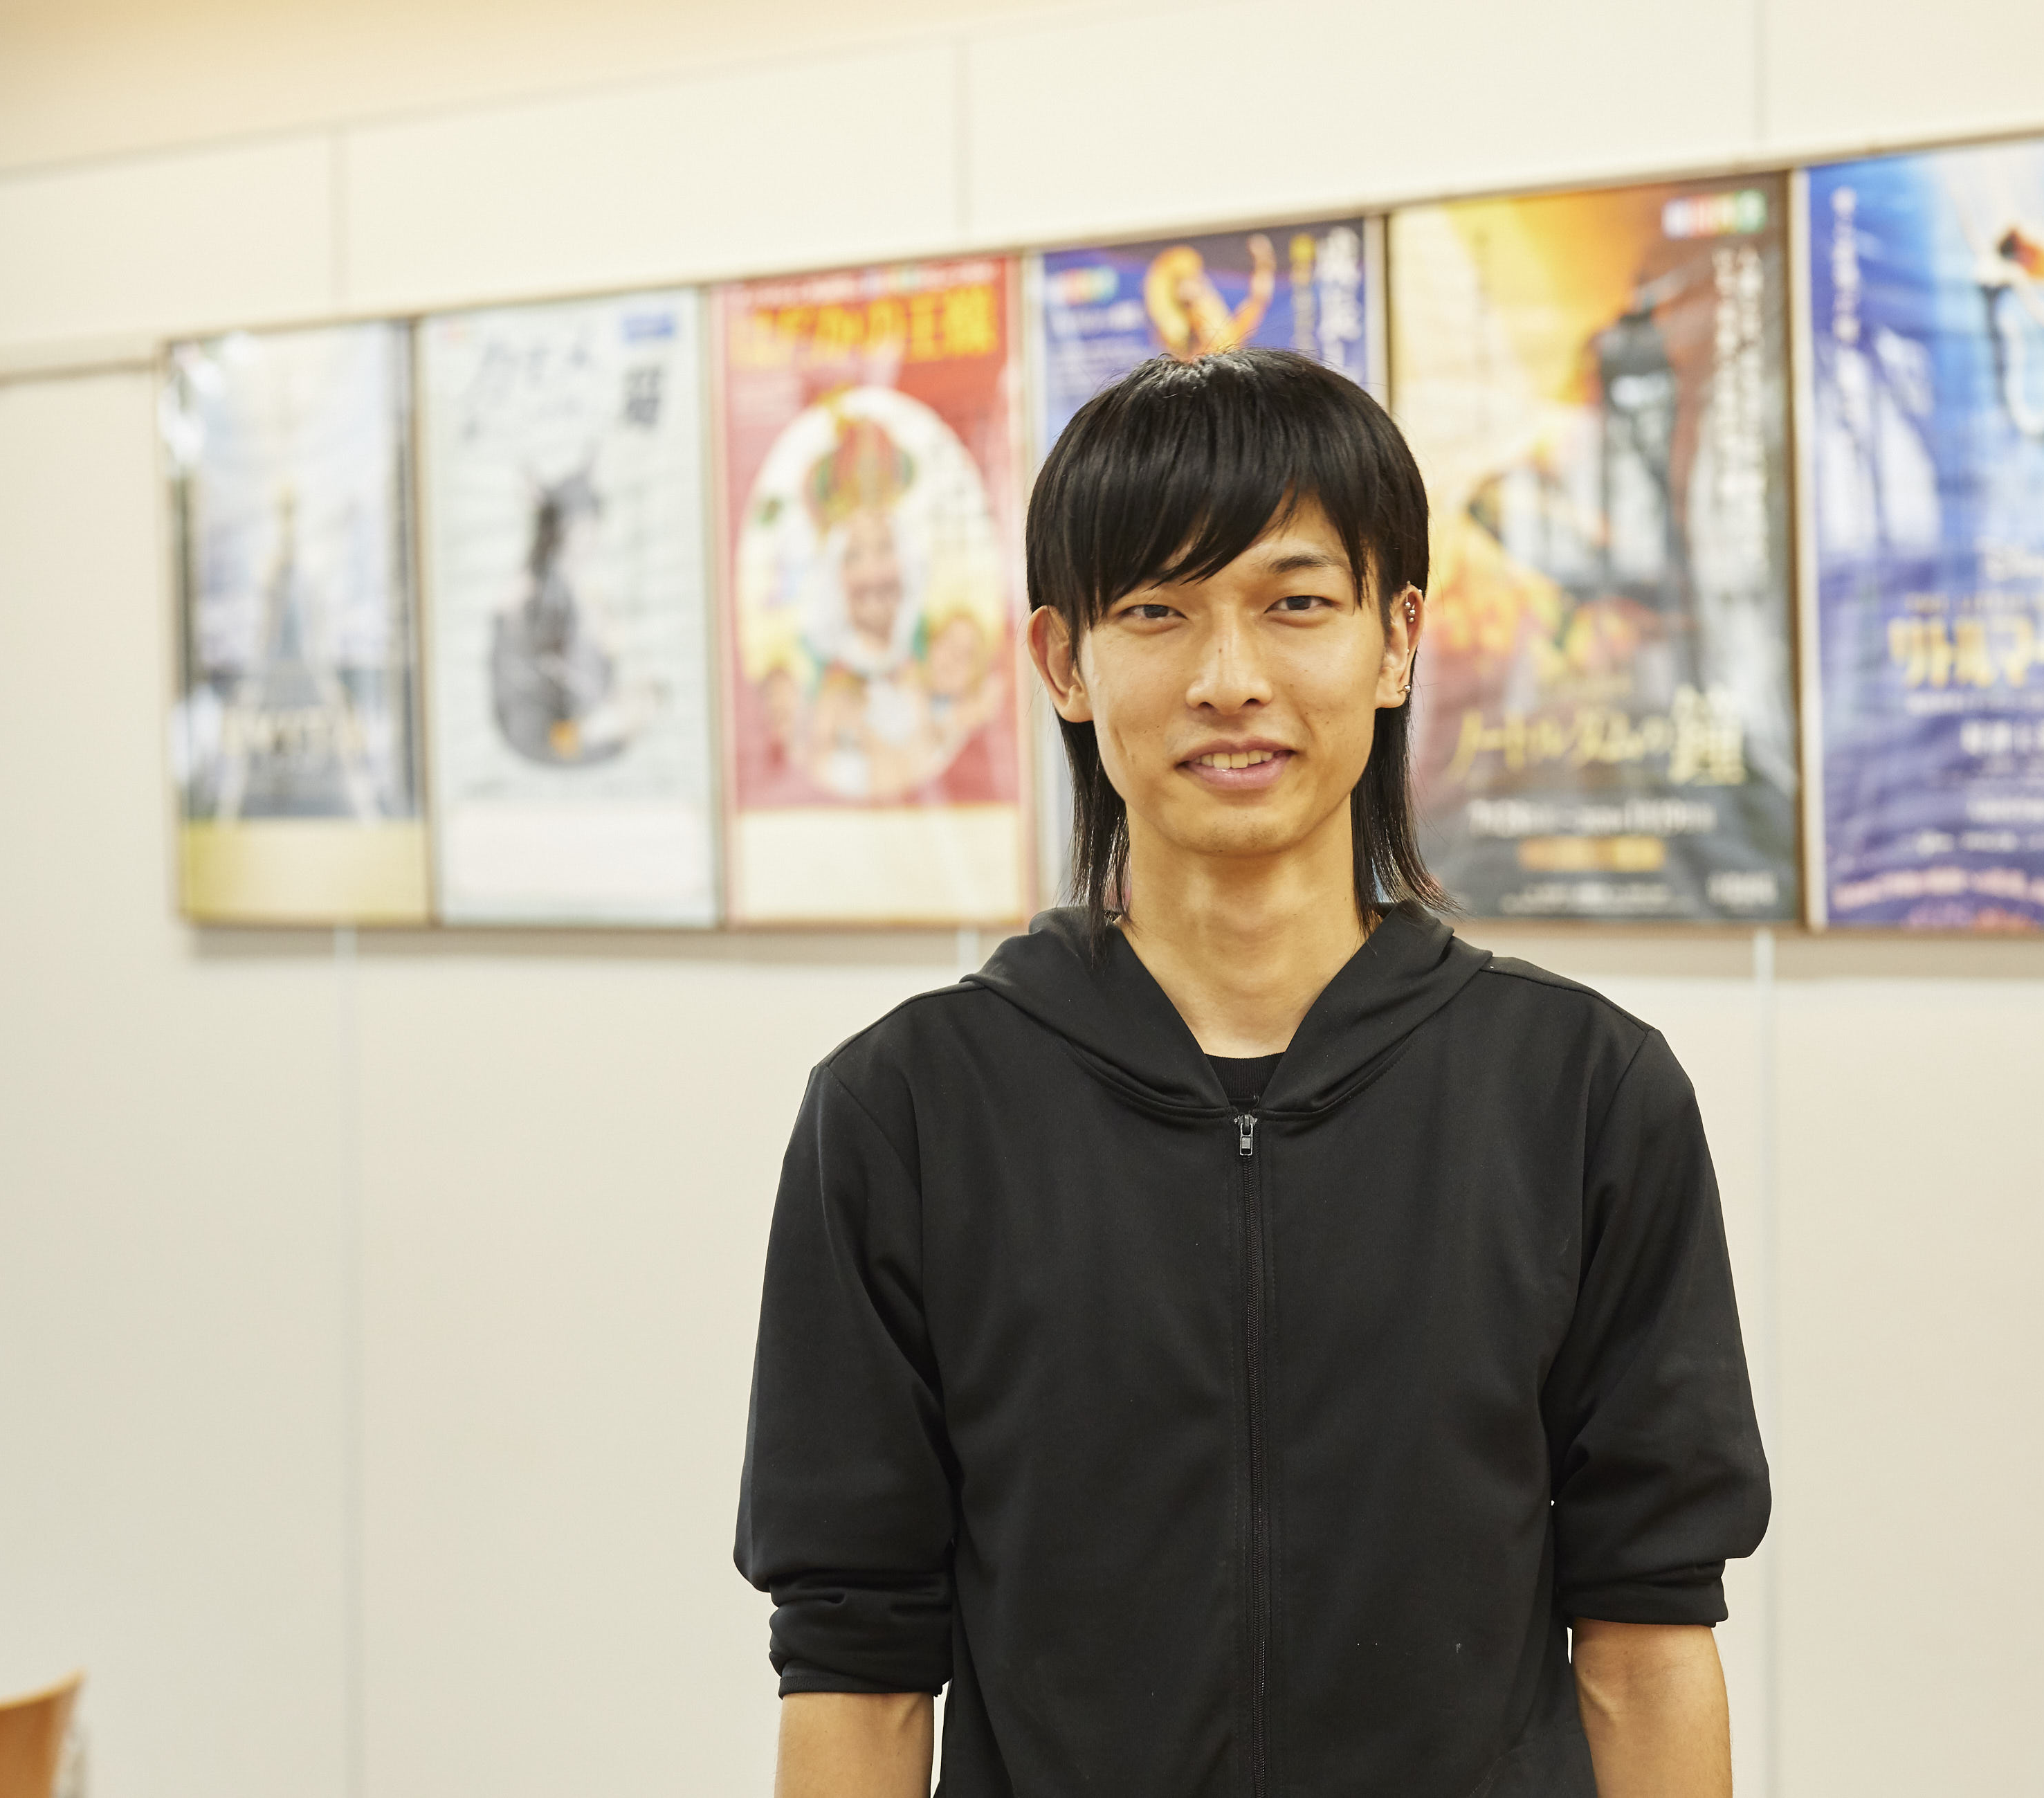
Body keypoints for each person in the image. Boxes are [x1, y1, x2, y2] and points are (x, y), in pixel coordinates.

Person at [736, 348, 1770, 1797]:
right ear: (1062, 663)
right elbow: (858, 1664)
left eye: (1295, 604)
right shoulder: (903, 1113)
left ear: (1397, 641)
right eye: (1156, 611)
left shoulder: (1583, 1096)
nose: (1230, 680)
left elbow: (1645, 1637)